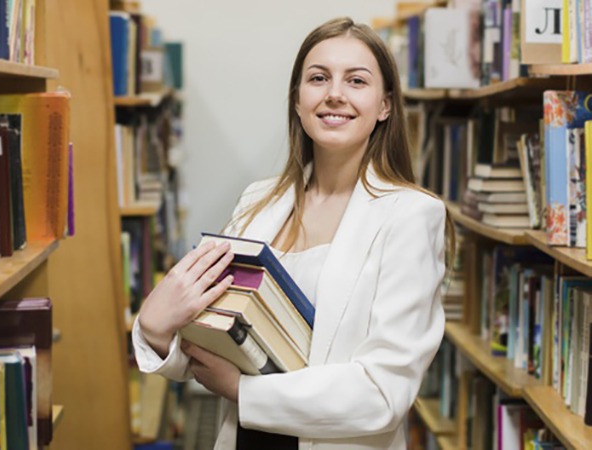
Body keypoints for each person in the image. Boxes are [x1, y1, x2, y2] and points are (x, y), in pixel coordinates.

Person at [132, 16, 451, 450]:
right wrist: (155, 330)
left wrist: (244, 392)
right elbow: (213, 345)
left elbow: (383, 393)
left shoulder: (412, 216)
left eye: (356, 80)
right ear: (298, 100)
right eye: (318, 78)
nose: (334, 93)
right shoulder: (257, 202)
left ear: (385, 106)